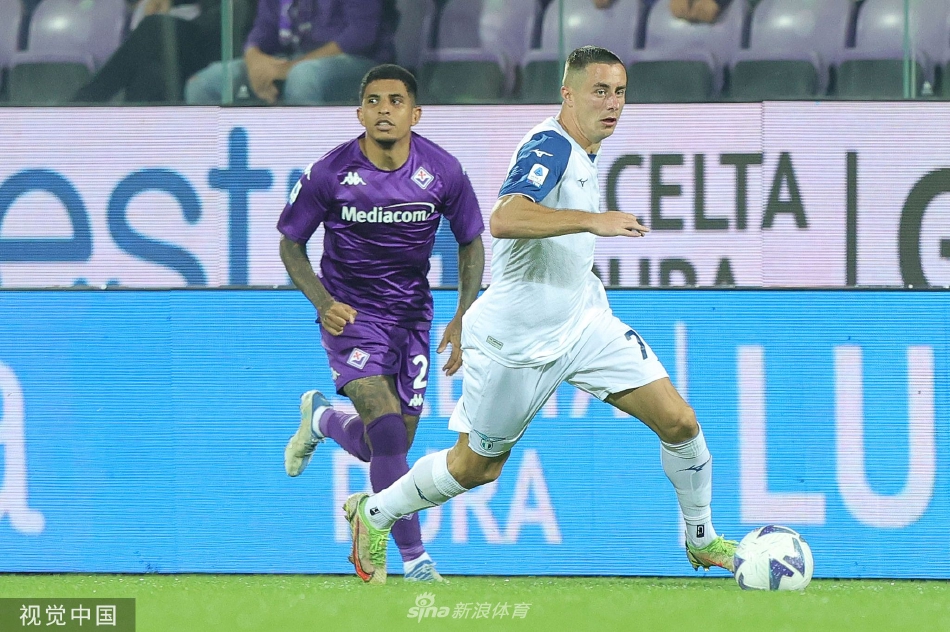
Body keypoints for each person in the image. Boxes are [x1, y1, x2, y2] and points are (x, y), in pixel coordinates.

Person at [343, 46, 737, 584]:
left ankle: (701, 538)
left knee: (680, 422)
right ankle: (375, 512)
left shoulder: (586, 151)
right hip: (518, 340)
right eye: (600, 91)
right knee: (475, 467)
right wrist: (592, 221)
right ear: (567, 94)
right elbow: (505, 218)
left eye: (620, 93)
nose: (613, 103)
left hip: (584, 321)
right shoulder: (549, 145)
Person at [277, 64, 485, 582]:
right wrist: (322, 302)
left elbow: (471, 242)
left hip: (411, 315)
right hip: (350, 314)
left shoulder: (443, 171)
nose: (384, 110)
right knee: (387, 430)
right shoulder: (329, 173)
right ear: (359, 114)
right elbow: (291, 244)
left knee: (386, 445)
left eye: (395, 101)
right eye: (373, 101)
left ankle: (323, 420)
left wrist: (463, 313)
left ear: (415, 114)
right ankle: (415, 560)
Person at [185, 0, 396, 105]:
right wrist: (254, 61)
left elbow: (361, 35)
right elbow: (264, 28)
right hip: (290, 61)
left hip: (360, 63)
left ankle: (311, 168)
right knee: (204, 84)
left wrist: (288, 69)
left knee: (302, 76)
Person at [71, 0, 255, 103]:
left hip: (242, 42)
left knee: (155, 30)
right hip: (209, 32)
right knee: (151, 74)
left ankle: (83, 104)